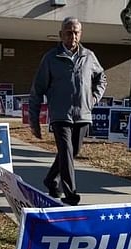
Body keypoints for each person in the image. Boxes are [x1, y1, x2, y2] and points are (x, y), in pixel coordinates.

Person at [29, 17, 107, 206]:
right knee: (65, 152)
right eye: (69, 32)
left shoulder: (89, 56)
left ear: (80, 34)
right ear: (61, 34)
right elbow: (37, 89)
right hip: (60, 115)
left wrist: (92, 99)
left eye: (76, 32)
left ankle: (50, 180)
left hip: (83, 115)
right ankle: (71, 196)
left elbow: (101, 78)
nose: (73, 36)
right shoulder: (50, 58)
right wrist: (34, 121)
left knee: (72, 152)